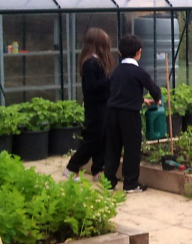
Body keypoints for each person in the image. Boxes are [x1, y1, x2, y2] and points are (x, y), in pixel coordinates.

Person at [103, 34, 161, 192]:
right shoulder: (138, 72)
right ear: (139, 51)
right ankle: (130, 183)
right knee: (132, 147)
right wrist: (157, 99)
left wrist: (141, 100)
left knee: (113, 148)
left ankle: (108, 182)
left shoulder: (115, 72)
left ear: (120, 53)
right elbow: (154, 89)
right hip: (129, 115)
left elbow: (118, 91)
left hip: (112, 113)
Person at [64, 28, 115, 180]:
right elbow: (92, 86)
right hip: (95, 108)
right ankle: (72, 167)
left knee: (103, 137)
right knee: (93, 138)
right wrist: (109, 81)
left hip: (102, 105)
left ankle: (98, 169)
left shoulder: (95, 61)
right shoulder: (90, 63)